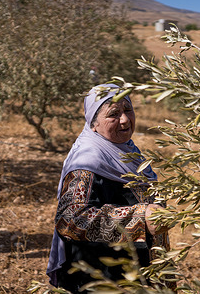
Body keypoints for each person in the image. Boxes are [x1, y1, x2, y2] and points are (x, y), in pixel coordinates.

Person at [46, 84, 170, 293]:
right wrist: (140, 218)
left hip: (139, 273)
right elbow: (70, 218)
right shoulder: (87, 162)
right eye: (113, 114)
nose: (124, 120)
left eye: (127, 110)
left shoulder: (130, 152)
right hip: (104, 277)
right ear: (93, 123)